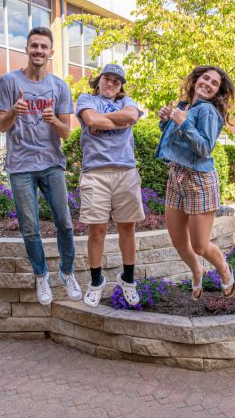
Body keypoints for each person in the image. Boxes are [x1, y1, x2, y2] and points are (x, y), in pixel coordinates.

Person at [0, 26, 81, 306]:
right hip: (20, 165)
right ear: (27, 49)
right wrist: (13, 112)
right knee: (30, 227)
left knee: (65, 224)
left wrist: (53, 121)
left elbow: (67, 132)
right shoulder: (9, 81)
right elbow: (1, 126)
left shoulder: (59, 87)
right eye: (34, 46)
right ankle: (41, 275)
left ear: (51, 52)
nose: (39, 51)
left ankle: (67, 273)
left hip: (51, 164)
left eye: (44, 47)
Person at [155, 65, 235, 301]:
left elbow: (203, 148)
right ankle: (197, 270)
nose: (208, 84)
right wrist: (165, 122)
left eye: (215, 83)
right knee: (179, 241)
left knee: (200, 245)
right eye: (205, 78)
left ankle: (223, 269)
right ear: (196, 80)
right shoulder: (183, 106)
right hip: (176, 176)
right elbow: (177, 143)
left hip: (199, 180)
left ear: (217, 92)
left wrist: (183, 123)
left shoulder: (209, 111)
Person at [75, 64, 145, 307]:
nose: (111, 83)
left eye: (117, 81)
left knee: (128, 229)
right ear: (99, 80)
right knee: (97, 232)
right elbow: (91, 119)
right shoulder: (86, 99)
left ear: (121, 86)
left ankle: (128, 280)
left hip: (126, 172)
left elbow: (131, 116)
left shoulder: (128, 101)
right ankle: (96, 281)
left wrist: (103, 122)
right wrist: (116, 122)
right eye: (107, 78)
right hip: (95, 174)